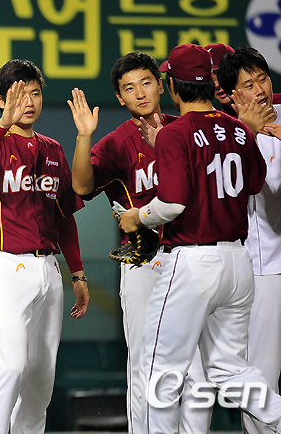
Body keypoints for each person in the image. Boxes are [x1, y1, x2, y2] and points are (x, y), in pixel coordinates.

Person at [119, 43, 281, 433]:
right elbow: (254, 183)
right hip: (238, 263)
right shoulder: (240, 131)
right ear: (211, 82)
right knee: (228, 369)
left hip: (193, 262)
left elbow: (172, 203)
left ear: (172, 86)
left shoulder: (174, 132)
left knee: (160, 369)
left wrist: (137, 216)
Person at [68, 52, 211, 434]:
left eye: (146, 82)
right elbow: (82, 185)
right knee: (145, 364)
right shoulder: (118, 143)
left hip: (190, 257)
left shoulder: (185, 130)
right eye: (129, 88)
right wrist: (84, 136)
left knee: (197, 368)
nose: (140, 93)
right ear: (120, 97)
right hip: (144, 262)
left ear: (161, 84)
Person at [0, 59, 90, 434]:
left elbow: (64, 217)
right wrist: (2, 125)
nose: (29, 102)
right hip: (5, 266)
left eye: (35, 93)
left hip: (48, 268)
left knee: (40, 379)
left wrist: (78, 273)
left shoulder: (52, 149)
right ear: (1, 100)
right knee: (11, 367)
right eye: (19, 95)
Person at [217, 46, 281, 434]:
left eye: (263, 79)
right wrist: (251, 134)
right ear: (231, 95)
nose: (260, 90)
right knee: (259, 373)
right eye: (248, 84)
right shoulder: (227, 135)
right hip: (259, 271)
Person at [204, 43, 235, 115]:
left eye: (222, 74)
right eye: (210, 79)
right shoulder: (214, 121)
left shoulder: (261, 110)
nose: (216, 84)